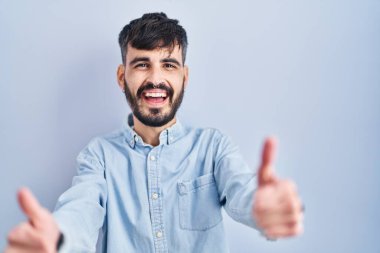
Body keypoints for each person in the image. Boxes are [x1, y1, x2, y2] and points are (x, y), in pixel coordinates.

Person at [5, 12, 304, 253]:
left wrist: (263, 208)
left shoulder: (213, 148)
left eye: (169, 64)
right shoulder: (99, 156)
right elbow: (79, 211)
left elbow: (244, 192)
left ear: (184, 77)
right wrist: (57, 239)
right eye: (142, 64)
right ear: (123, 77)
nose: (156, 79)